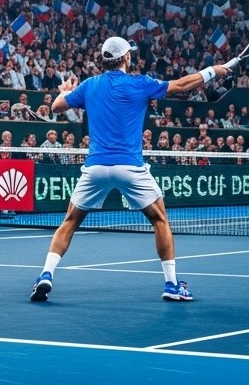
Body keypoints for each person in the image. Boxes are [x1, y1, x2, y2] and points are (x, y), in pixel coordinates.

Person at [30, 36, 237, 303]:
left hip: (96, 167)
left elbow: (57, 106)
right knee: (160, 219)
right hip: (130, 166)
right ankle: (172, 284)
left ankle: (46, 274)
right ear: (126, 57)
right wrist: (213, 71)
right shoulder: (140, 83)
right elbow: (183, 85)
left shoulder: (89, 85)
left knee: (70, 221)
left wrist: (64, 90)